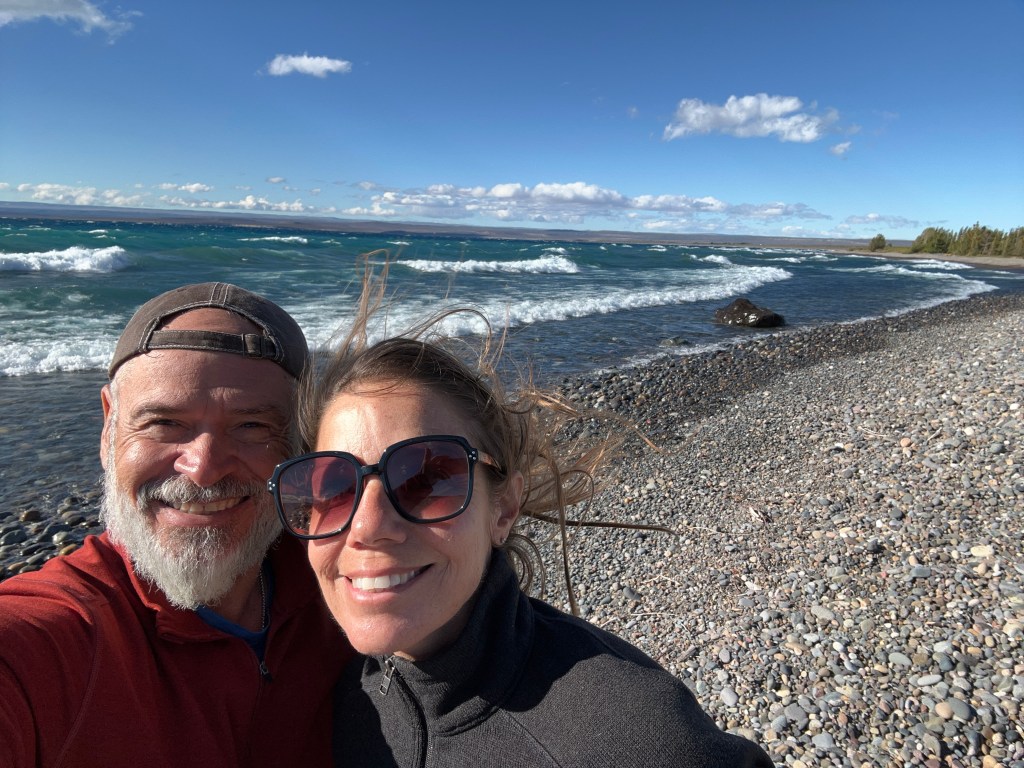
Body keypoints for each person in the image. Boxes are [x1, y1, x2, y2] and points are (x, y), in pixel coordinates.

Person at [268, 276, 774, 767]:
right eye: (334, 487)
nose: (367, 526)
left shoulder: (636, 736)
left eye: (426, 480)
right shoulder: (323, 681)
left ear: (503, 509)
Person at [0, 282, 353, 767]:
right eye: (163, 423)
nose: (204, 468)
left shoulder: (345, 584)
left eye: (252, 427)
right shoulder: (56, 641)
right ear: (108, 427)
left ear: (301, 446)